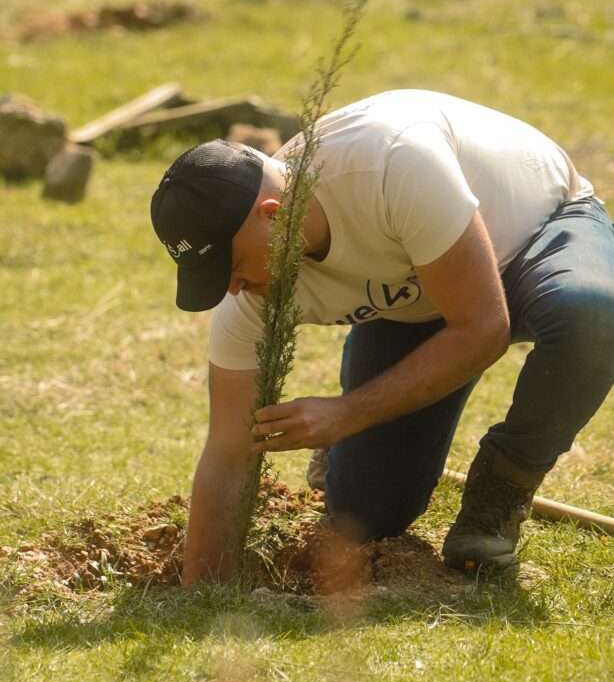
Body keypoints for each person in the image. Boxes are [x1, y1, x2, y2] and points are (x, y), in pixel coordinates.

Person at [150, 89, 614, 586]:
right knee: (365, 516)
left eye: (233, 265)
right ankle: (346, 462)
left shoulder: (392, 163)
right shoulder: (249, 293)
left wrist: (347, 414)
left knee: (593, 315)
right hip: (414, 297)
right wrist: (202, 592)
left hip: (536, 233)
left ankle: (498, 497)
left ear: (274, 215)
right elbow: (227, 451)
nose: (232, 287)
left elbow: (484, 330)